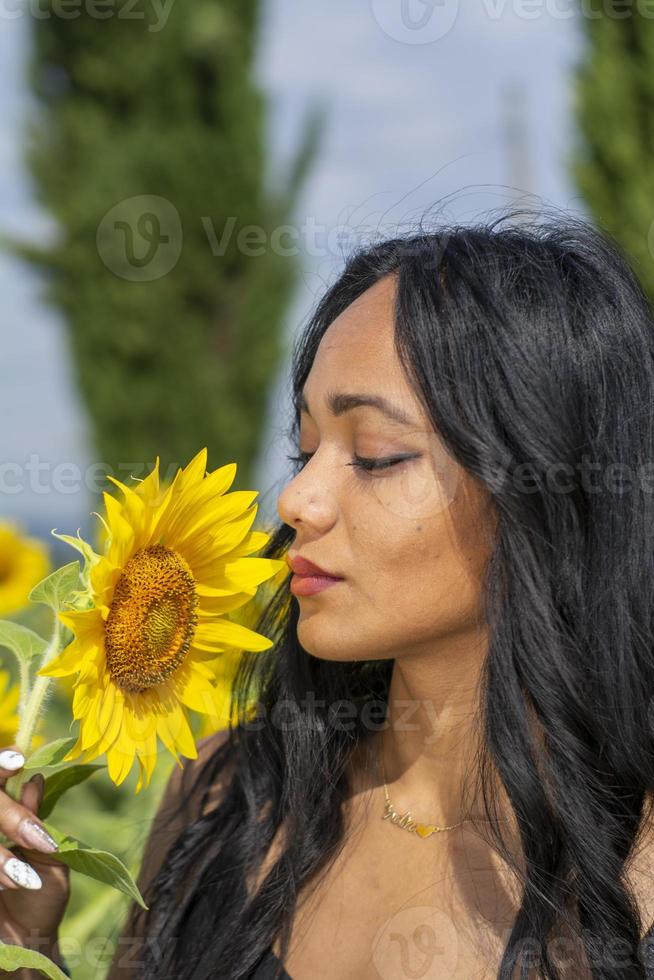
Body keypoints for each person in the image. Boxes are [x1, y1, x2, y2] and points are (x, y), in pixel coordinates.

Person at [3, 208, 654, 979]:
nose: (298, 500)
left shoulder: (635, 880)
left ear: (543, 491)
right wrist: (26, 949)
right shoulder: (227, 798)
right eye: (304, 448)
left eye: (375, 455)